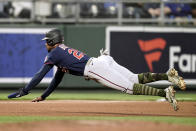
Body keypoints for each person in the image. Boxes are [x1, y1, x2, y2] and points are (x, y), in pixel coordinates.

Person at [8, 28, 186, 111]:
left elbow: (40, 74)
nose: (45, 43)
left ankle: (165, 93)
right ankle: (167, 76)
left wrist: (25, 90)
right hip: (102, 60)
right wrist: (44, 96)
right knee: (133, 78)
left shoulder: (54, 53)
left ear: (53, 42)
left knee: (130, 88)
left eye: (47, 41)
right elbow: (57, 79)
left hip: (95, 68)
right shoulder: (61, 52)